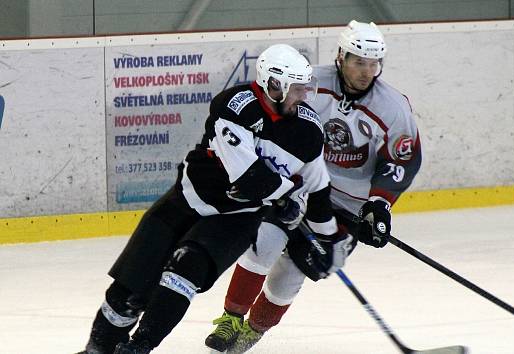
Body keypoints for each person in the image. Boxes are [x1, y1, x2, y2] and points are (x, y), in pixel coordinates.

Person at [77, 43, 353, 354]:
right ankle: (97, 349)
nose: (304, 96)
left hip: (237, 218)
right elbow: (247, 177)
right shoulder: (234, 106)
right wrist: (284, 195)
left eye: (306, 88)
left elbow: (317, 189)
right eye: (296, 88)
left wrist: (328, 238)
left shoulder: (308, 130)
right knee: (129, 289)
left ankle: (139, 347)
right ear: (274, 85)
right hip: (187, 200)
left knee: (185, 269)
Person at [205, 20, 423, 353]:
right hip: (300, 188)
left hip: (350, 205)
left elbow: (402, 160)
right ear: (341, 57)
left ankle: (254, 331)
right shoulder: (307, 83)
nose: (367, 71)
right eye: (359, 61)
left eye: (373, 63)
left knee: (295, 270)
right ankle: (230, 320)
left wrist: (379, 205)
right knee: (264, 242)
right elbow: (270, 119)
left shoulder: (393, 107)